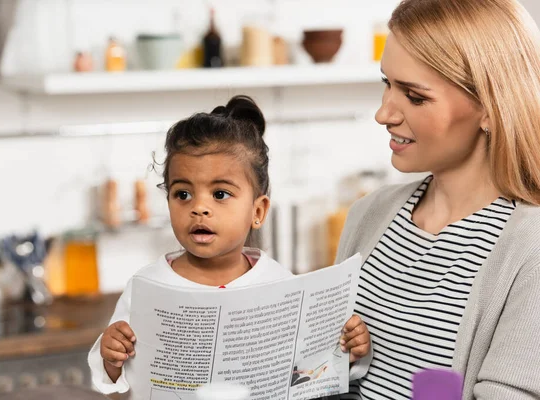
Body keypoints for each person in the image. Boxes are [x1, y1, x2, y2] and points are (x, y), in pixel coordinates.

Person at [87, 95, 371, 397]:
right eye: (182, 194)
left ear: (258, 211)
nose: (199, 208)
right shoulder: (146, 286)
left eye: (220, 194)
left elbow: (305, 373)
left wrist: (347, 351)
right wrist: (111, 357)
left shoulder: (281, 285)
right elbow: (110, 376)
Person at [335, 0, 540, 399]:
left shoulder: (531, 249)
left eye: (415, 96)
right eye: (386, 84)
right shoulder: (369, 214)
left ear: (489, 107)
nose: (384, 114)